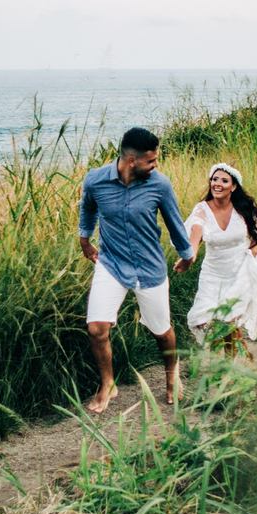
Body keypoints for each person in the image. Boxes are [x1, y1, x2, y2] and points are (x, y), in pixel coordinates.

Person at [79, 127, 196, 413]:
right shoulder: (95, 180)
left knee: (161, 331)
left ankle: (172, 375)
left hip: (149, 267)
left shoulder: (160, 184)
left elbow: (174, 222)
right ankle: (108, 383)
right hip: (111, 263)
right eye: (151, 160)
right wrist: (85, 240)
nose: (156, 165)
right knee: (96, 329)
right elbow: (88, 208)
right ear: (131, 160)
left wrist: (187, 255)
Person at [179, 162, 257, 361]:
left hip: (240, 271)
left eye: (224, 180)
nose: (218, 184)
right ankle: (238, 352)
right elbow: (196, 233)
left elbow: (256, 228)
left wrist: (253, 249)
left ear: (233, 186)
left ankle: (227, 366)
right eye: (214, 179)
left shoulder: (244, 208)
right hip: (213, 273)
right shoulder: (202, 209)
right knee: (204, 320)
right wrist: (189, 256)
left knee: (227, 321)